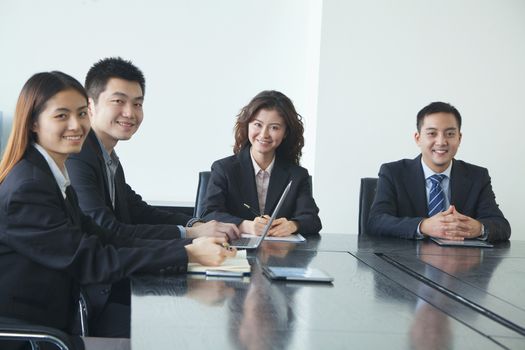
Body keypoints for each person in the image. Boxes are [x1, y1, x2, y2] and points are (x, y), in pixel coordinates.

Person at [0, 71, 235, 344]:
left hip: (65, 318)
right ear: (33, 123)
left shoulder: (50, 175)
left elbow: (107, 237)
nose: (76, 125)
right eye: (61, 115)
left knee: (179, 326)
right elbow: (92, 260)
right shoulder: (29, 187)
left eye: (81, 114)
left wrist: (189, 246)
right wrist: (189, 253)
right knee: (169, 337)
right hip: (36, 335)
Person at [368, 101, 510, 242]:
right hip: (406, 260)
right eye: (432, 133)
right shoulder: (393, 173)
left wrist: (479, 228)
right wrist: (423, 226)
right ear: (418, 138)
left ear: (459, 138)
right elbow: (376, 221)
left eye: (450, 134)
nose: (441, 142)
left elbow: (502, 225)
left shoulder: (477, 176)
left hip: (461, 261)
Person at [203, 90, 322, 236]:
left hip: (281, 254)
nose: (264, 134)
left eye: (274, 127)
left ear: (285, 133)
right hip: (232, 251)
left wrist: (293, 225)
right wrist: (245, 225)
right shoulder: (224, 169)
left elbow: (312, 220)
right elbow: (208, 214)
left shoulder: (297, 175)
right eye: (258, 125)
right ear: (247, 125)